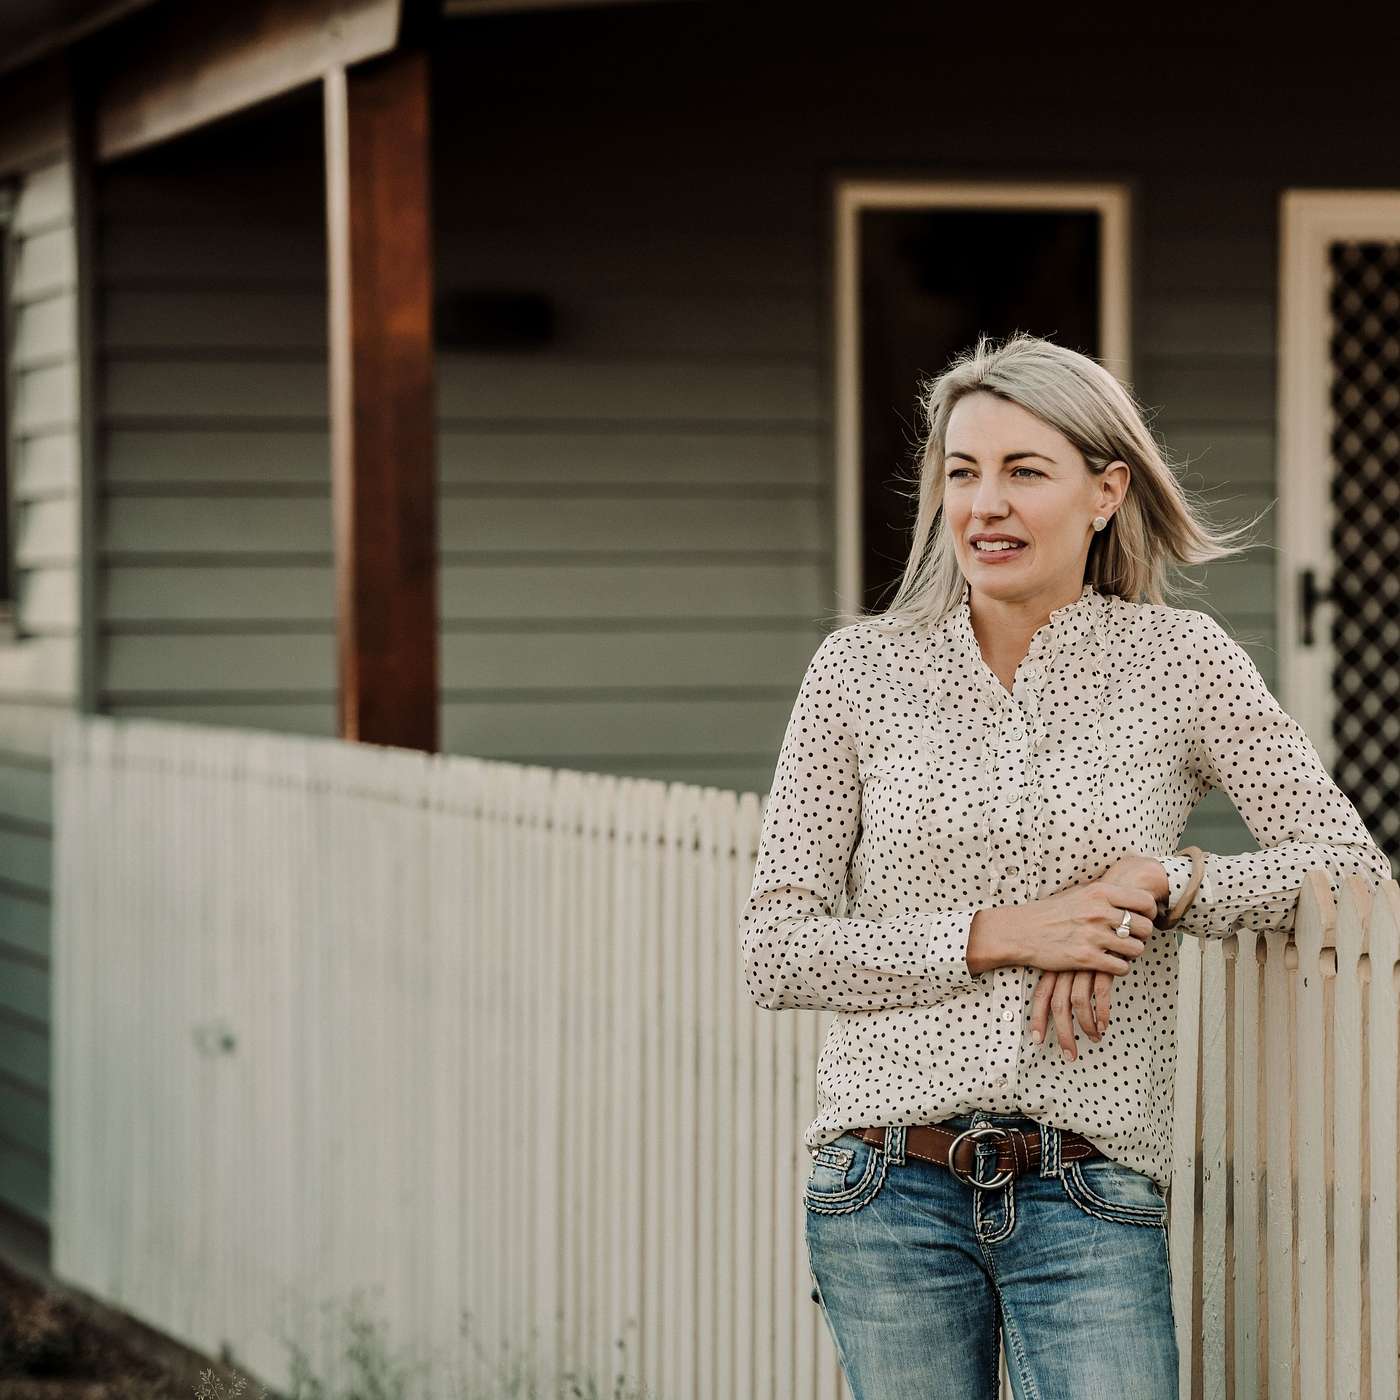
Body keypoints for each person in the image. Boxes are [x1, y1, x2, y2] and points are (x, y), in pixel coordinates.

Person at [739, 331, 1391, 1400]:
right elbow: (774, 949)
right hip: (882, 1181)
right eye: (961, 472)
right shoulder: (856, 669)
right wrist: (1003, 931)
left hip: (1087, 1186)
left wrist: (1168, 881)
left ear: (1104, 490)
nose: (983, 504)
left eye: (1022, 471)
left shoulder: (1180, 662)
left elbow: (1350, 871)